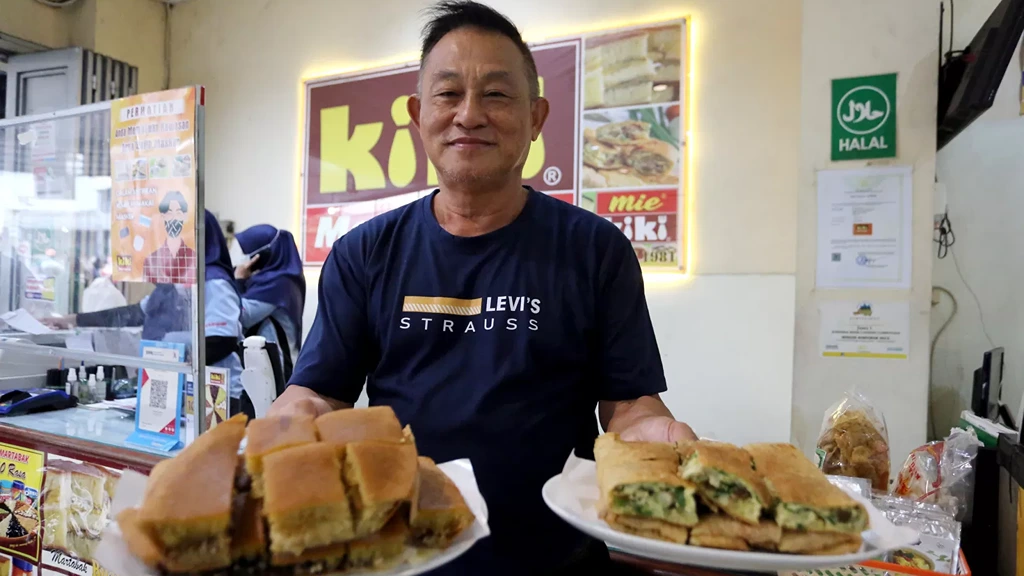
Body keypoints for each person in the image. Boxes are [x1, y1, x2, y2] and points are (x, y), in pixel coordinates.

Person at [270, 2, 697, 574]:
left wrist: (656, 432)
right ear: (419, 113)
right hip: (401, 554)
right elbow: (322, 395)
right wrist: (287, 419)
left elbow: (627, 405)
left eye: (496, 95)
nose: (469, 115)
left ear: (536, 116)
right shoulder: (364, 252)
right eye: (449, 94)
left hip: (557, 558)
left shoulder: (595, 249)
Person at [48, 211, 245, 406]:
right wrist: (73, 320)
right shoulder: (173, 283)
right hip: (176, 389)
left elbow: (221, 340)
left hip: (215, 396)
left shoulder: (213, 282)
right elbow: (133, 314)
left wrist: (166, 360)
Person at [232, 224, 305, 379]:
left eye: (248, 253)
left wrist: (238, 281)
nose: (245, 258)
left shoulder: (278, 283)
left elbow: (241, 316)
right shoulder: (268, 280)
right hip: (264, 365)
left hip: (278, 367)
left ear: (262, 255)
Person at [143, 190, 197, 285]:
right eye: (169, 213)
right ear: (163, 216)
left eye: (178, 213)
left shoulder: (194, 258)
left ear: (185, 216)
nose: (174, 218)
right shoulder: (151, 260)